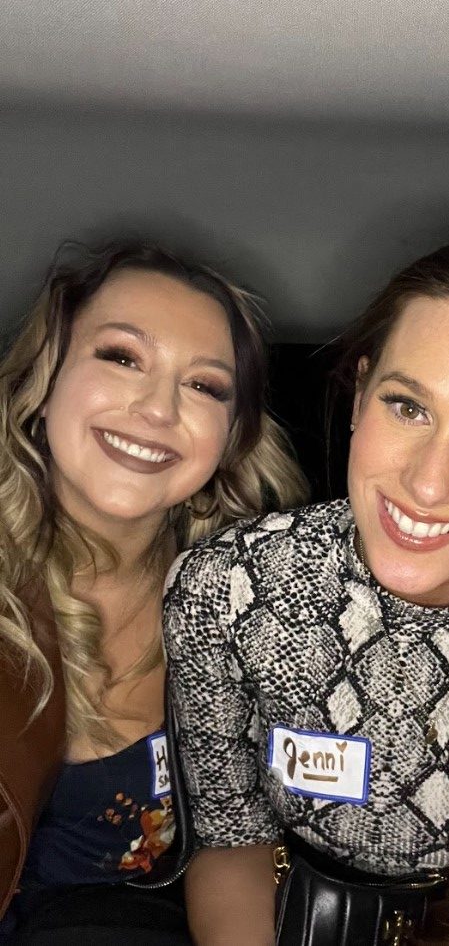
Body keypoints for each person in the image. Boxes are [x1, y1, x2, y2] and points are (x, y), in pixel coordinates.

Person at [164, 232, 449, 946]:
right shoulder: (228, 589)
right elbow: (231, 839)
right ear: (361, 395)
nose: (428, 482)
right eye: (408, 407)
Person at [0, 242, 307, 944]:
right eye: (121, 357)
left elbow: (248, 848)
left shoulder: (257, 603)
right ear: (45, 381)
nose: (157, 408)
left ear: (232, 438)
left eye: (204, 386)